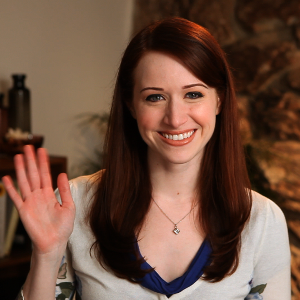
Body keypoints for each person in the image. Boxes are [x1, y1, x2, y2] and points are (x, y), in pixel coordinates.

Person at [3, 17, 290, 300]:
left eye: (193, 94)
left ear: (219, 100)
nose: (175, 119)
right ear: (131, 105)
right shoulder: (75, 205)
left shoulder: (262, 221)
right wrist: (46, 255)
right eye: (155, 97)